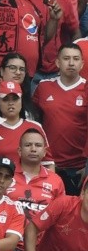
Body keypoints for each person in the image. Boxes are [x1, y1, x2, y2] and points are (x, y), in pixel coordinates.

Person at [33, 43, 88, 194]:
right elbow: (33, 122)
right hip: (46, 165)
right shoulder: (43, 87)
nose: (71, 63)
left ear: (82, 63)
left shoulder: (86, 88)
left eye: (76, 59)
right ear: (57, 62)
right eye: (66, 58)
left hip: (77, 168)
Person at [0, 81, 51, 183]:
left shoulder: (35, 127)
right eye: (5, 99)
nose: (10, 103)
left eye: (15, 99)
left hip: (31, 190)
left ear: (21, 101)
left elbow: (48, 163)